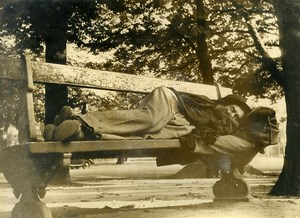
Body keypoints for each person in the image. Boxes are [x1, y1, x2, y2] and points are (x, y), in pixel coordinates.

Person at [43, 86, 251, 146]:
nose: (231, 113)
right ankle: (82, 120)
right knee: (150, 121)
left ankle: (72, 130)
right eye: (232, 108)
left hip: (174, 123)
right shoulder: (208, 103)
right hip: (169, 101)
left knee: (141, 136)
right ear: (226, 103)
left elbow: (200, 130)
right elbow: (182, 103)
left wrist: (196, 134)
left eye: (235, 115)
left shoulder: (214, 125)